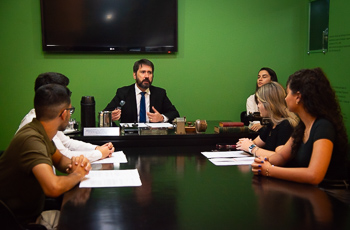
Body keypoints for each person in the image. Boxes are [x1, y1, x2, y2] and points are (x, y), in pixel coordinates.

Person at [0, 84, 91, 228]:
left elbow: (60, 159)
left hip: (30, 215)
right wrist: (78, 175)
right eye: (70, 110)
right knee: (85, 221)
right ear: (63, 114)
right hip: (19, 223)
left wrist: (76, 164)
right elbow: (53, 188)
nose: (69, 114)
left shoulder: (39, 131)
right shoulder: (31, 140)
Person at [251, 68, 349, 187]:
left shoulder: (323, 126)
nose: (285, 98)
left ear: (298, 97)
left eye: (287, 94)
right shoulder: (302, 126)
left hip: (331, 195)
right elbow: (282, 156)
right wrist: (262, 162)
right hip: (311, 192)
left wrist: (269, 170)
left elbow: (314, 175)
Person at [17, 72, 114, 162]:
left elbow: (67, 143)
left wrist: (97, 148)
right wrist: (99, 154)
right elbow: (64, 156)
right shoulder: (36, 128)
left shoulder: (45, 120)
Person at [104, 59, 179, 123]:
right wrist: (110, 117)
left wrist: (162, 118)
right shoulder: (123, 93)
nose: (146, 76)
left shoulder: (160, 93)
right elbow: (103, 114)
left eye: (149, 72)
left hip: (153, 136)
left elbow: (174, 113)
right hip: (130, 137)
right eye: (143, 72)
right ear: (134, 75)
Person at [237, 81, 298, 157]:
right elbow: (255, 143)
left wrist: (251, 148)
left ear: (269, 104)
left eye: (259, 103)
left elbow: (279, 156)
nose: (258, 106)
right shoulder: (272, 124)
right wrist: (246, 143)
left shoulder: (285, 125)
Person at [246, 67, 278, 132]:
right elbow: (253, 121)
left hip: (274, 129)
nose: (260, 79)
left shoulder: (278, 97)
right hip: (256, 131)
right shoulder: (251, 98)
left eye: (264, 77)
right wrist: (262, 125)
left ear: (272, 80)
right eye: (258, 77)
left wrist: (263, 125)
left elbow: (279, 118)